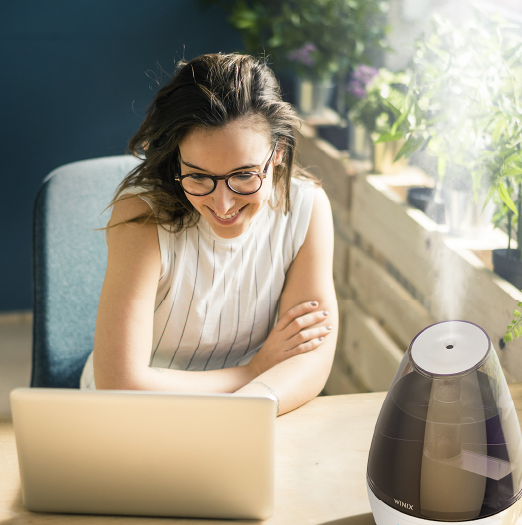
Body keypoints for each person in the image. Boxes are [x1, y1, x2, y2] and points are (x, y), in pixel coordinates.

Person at [80, 52, 338, 416]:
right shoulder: (142, 216)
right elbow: (121, 384)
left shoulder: (307, 207)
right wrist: (253, 372)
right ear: (177, 159)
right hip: (140, 413)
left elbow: (311, 353)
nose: (223, 203)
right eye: (198, 176)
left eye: (245, 175)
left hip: (255, 400)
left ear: (277, 152)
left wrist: (248, 403)